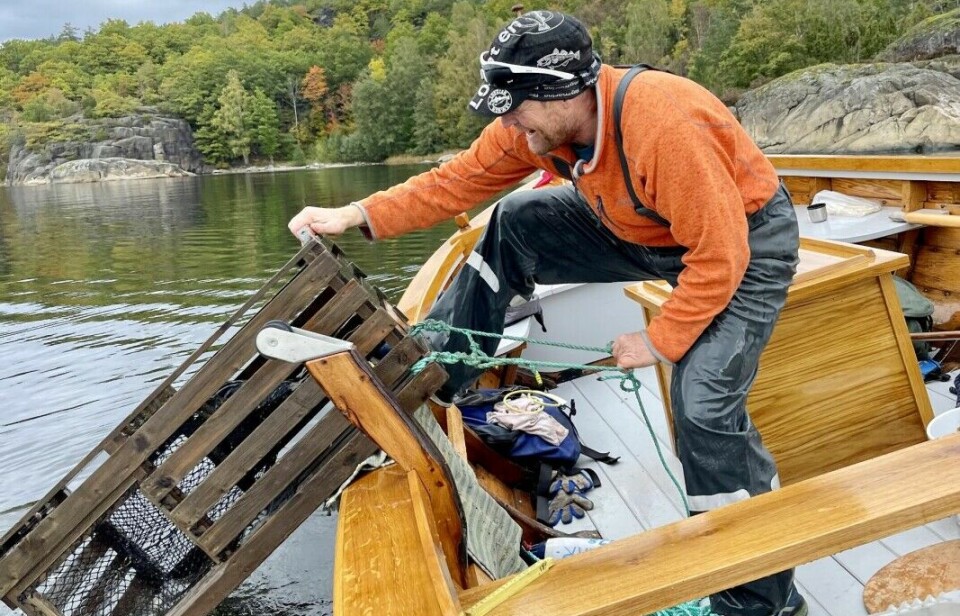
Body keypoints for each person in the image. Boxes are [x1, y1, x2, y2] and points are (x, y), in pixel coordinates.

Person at [288, 10, 804, 616]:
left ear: (564, 91)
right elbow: (454, 182)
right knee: (514, 222)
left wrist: (661, 340)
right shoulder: (534, 129)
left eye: (514, 106)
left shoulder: (664, 123)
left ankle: (762, 601)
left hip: (746, 245)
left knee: (704, 407)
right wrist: (355, 214)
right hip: (639, 228)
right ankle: (438, 376)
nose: (507, 122)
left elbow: (721, 255)